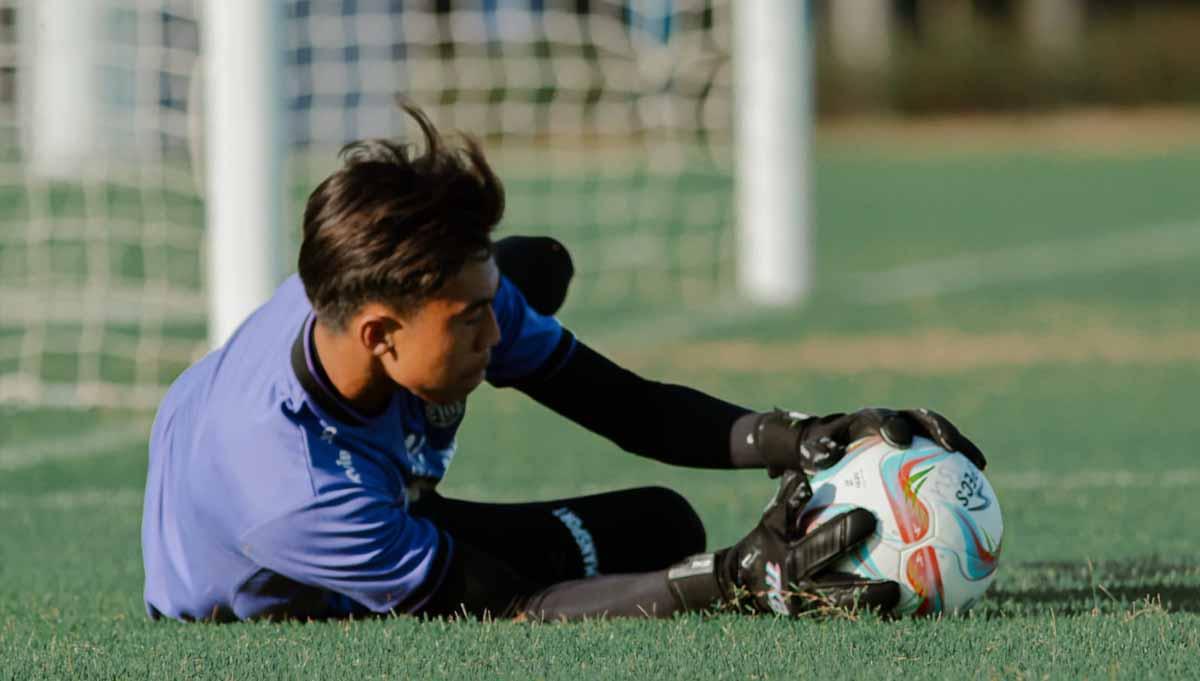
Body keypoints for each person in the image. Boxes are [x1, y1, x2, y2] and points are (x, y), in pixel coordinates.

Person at [141, 106, 986, 622]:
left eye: (488, 302)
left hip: (354, 466)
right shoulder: (300, 496)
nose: (491, 330)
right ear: (379, 336)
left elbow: (625, 405)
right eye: (470, 320)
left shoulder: (418, 301)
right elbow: (504, 606)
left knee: (656, 519)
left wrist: (802, 436)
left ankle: (523, 273)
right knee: (644, 558)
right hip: (281, 583)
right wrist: (736, 580)